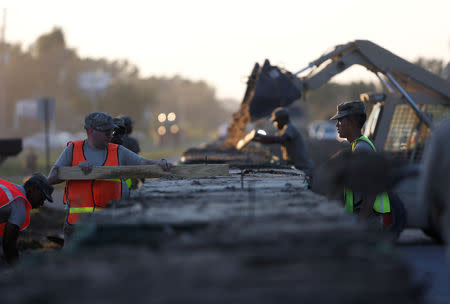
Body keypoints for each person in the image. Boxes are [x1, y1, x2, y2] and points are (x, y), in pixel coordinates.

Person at [47, 112, 172, 240]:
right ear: (90, 131)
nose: (110, 135)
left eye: (111, 132)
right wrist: (75, 170)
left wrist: (160, 163)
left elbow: (143, 162)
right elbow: (53, 176)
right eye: (106, 132)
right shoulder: (73, 149)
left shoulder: (118, 151)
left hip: (110, 223)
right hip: (77, 225)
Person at [330, 101, 392, 226]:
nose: (337, 125)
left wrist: (361, 220)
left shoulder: (361, 149)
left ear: (353, 122)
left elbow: (371, 189)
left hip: (368, 219)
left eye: (341, 120)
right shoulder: (357, 146)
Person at [0, 173, 54, 264]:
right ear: (33, 189)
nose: (42, 203)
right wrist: (17, 270)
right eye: (42, 197)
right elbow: (8, 244)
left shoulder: (10, 188)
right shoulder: (19, 205)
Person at [252, 107, 313, 174]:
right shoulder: (283, 131)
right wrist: (258, 139)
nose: (275, 124)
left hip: (303, 168)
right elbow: (272, 140)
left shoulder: (289, 128)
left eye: (276, 121)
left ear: (282, 119)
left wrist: (261, 137)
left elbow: (280, 139)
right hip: (296, 167)